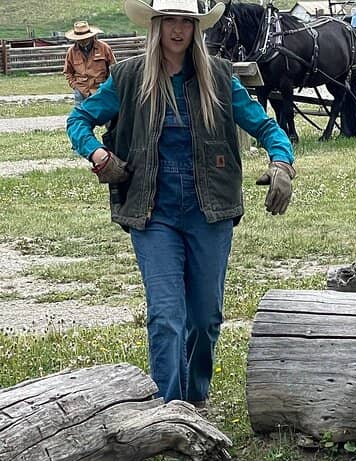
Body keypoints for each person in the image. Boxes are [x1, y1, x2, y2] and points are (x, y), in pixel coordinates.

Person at [66, 0, 296, 408]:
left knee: (205, 319)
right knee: (165, 317)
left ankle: (195, 399)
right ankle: (168, 412)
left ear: (196, 28)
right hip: (153, 210)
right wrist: (97, 154)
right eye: (169, 21)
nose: (177, 30)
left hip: (210, 209)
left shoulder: (219, 76)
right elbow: (79, 119)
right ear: (156, 26)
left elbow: (263, 125)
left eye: (186, 22)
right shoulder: (129, 76)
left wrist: (282, 161)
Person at [63, 21, 116, 106]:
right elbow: (68, 72)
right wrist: (75, 86)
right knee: (81, 117)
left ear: (91, 36)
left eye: (85, 38)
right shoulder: (71, 52)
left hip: (101, 89)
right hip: (81, 91)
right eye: (80, 39)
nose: (82, 41)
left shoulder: (104, 48)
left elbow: (113, 69)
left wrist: (107, 86)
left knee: (103, 117)